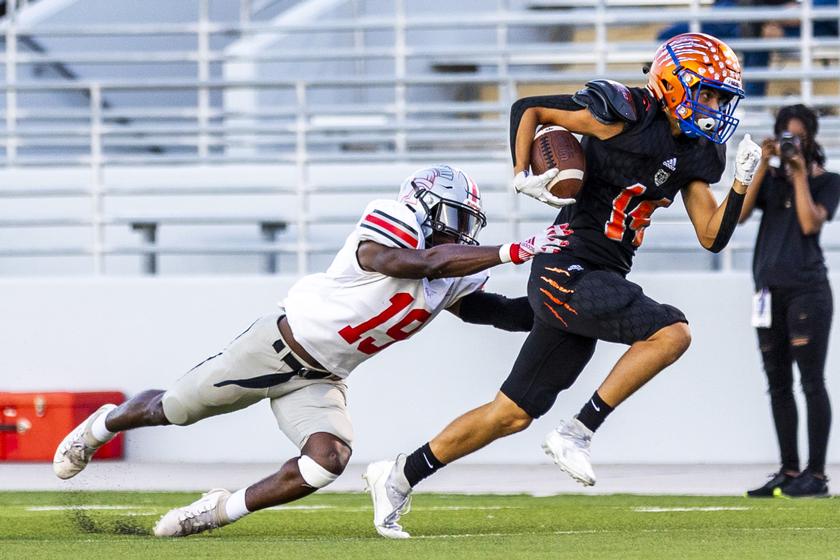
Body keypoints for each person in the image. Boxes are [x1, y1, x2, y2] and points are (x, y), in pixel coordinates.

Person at [364, 32, 763, 539]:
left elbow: (711, 235)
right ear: (672, 81)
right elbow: (530, 109)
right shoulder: (624, 112)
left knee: (509, 414)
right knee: (672, 332)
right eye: (706, 92)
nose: (713, 106)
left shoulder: (699, 154)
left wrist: (742, 186)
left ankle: (399, 474)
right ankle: (579, 429)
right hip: (566, 265)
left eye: (718, 97)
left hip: (601, 273)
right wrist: (519, 175)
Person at [52, 164, 570, 537]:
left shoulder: (449, 273)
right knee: (172, 410)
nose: (463, 230)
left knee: (327, 461)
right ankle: (100, 426)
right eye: (457, 217)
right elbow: (402, 261)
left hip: (323, 377)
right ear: (427, 203)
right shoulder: (392, 219)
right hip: (273, 348)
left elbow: (499, 312)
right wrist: (512, 250)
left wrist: (574, 303)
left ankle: (216, 511)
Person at [739, 104, 840, 498]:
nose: (790, 142)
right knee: (778, 384)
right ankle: (789, 469)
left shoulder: (828, 182)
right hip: (767, 293)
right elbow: (741, 215)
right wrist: (763, 164)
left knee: (811, 382)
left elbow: (810, 223)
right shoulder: (770, 180)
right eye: (784, 135)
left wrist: (799, 175)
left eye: (796, 136)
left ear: (810, 139)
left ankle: (815, 475)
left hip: (807, 292)